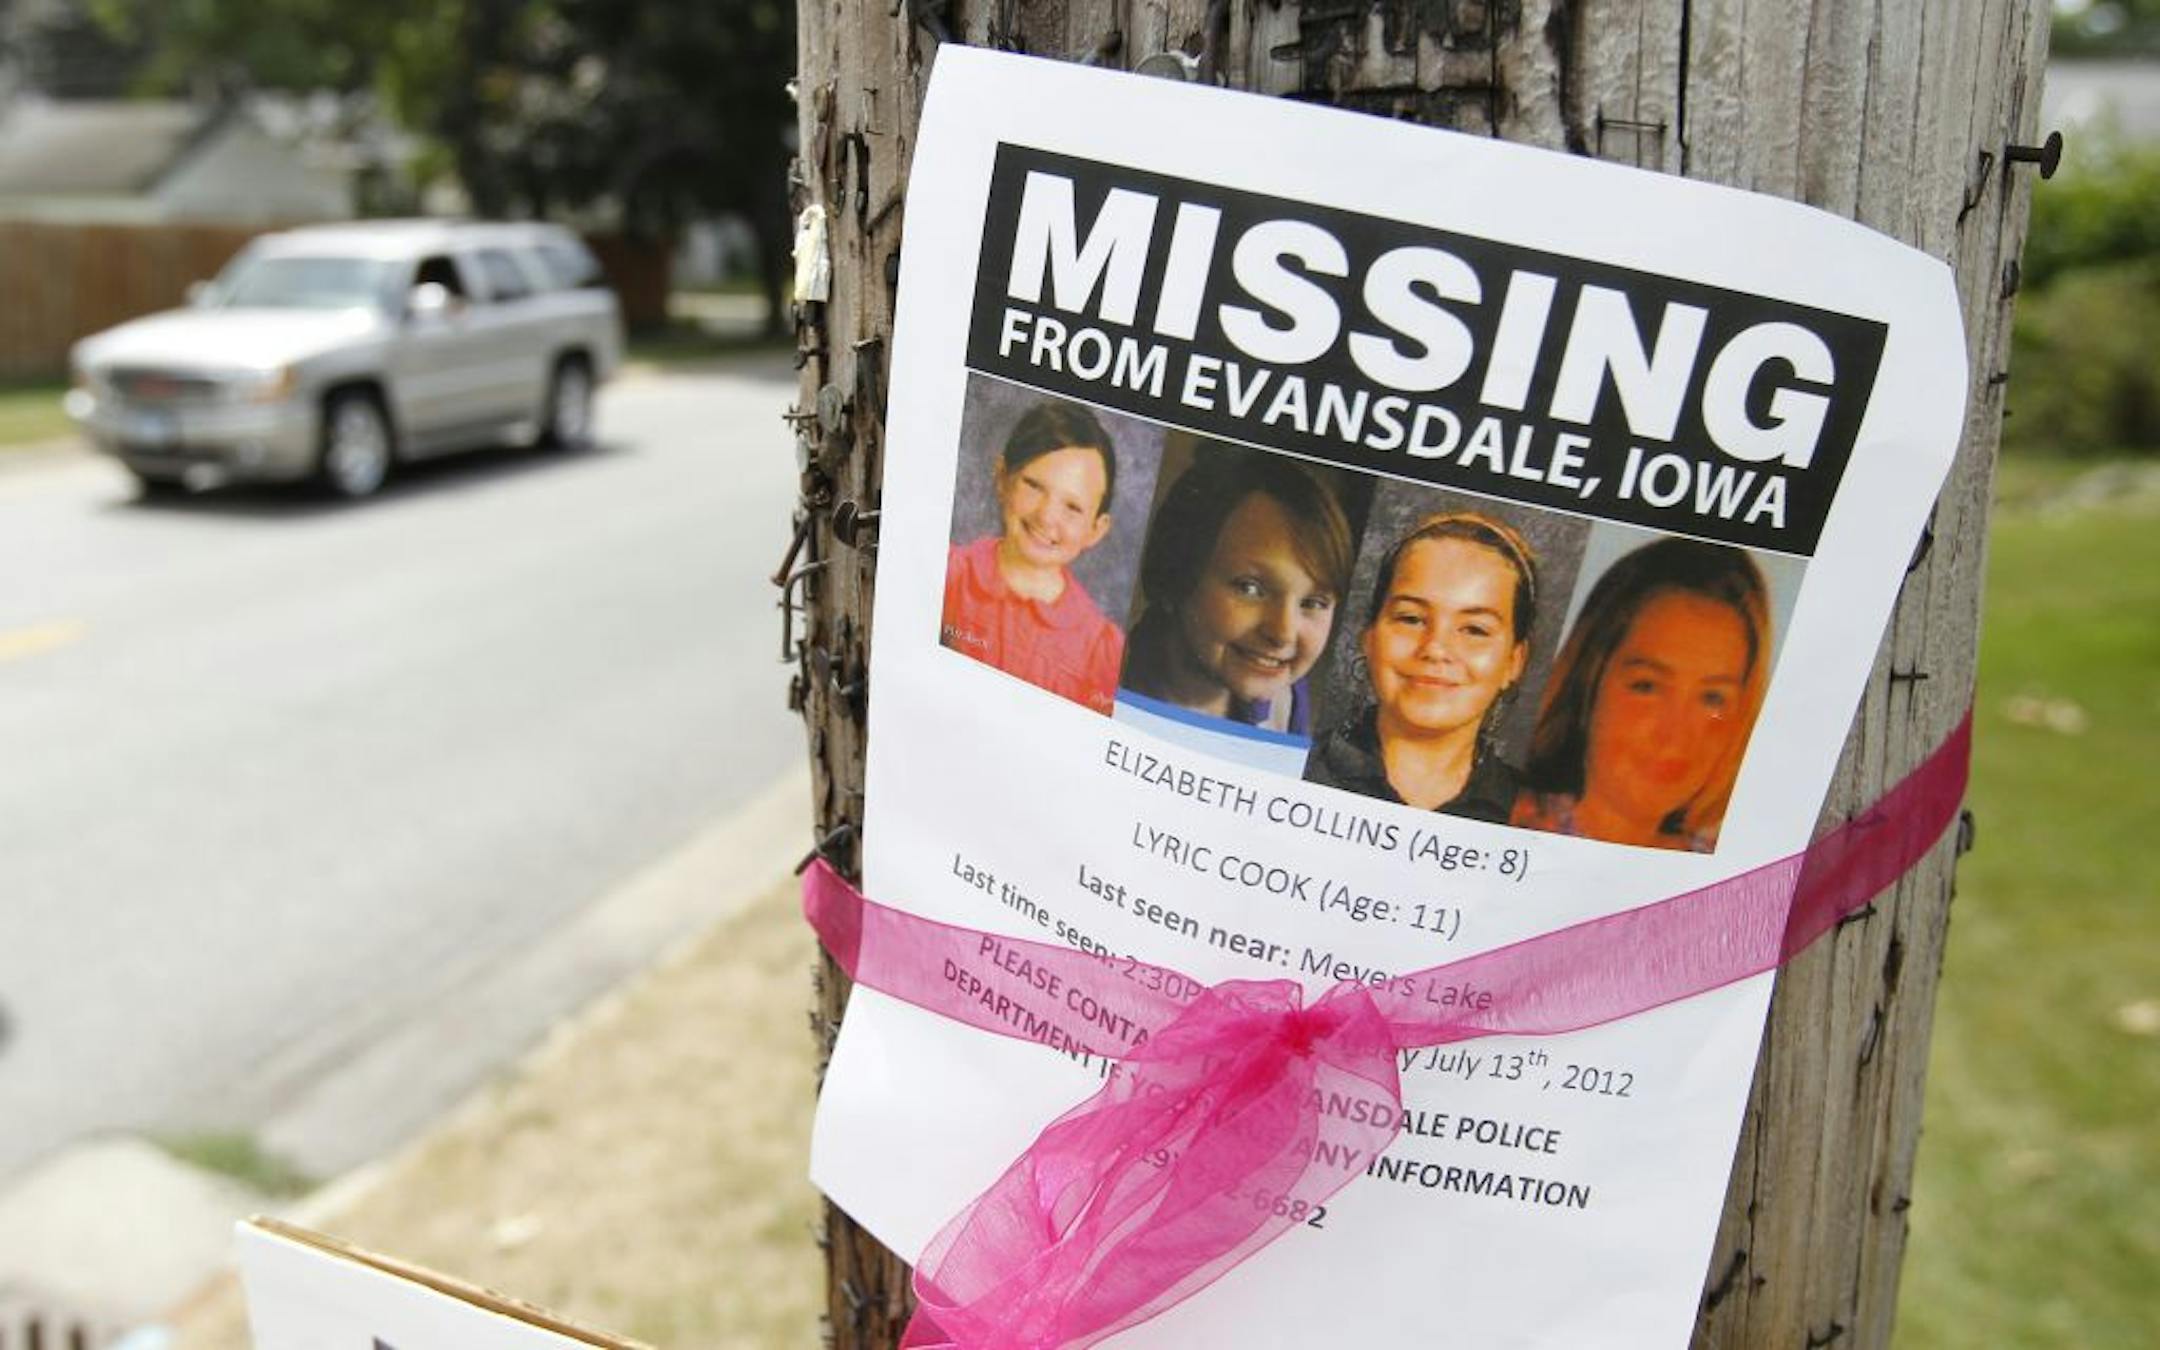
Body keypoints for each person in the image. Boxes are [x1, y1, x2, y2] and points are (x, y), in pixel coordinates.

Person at [1512, 539, 1771, 851]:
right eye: (1647, 687)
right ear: (1588, 679)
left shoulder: (1731, 860)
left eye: (1712, 698)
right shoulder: (1504, 819)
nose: (1675, 735)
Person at [1306, 512, 1539, 822]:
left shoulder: (1535, 819)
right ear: (1369, 638)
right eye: (1411, 619)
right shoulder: (1294, 767)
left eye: (1474, 630)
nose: (1435, 649)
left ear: (1514, 661)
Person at [1119, 449, 1355, 736]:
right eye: (1250, 588)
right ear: (1176, 576)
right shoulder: (1109, 678)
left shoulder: (1285, 698)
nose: (1283, 634)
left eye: (1313, 602)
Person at [940, 401, 1124, 714]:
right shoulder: (949, 574)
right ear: (1002, 478)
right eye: (1034, 486)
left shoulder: (1101, 650)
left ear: (1096, 529)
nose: (1047, 516)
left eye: (1072, 507)